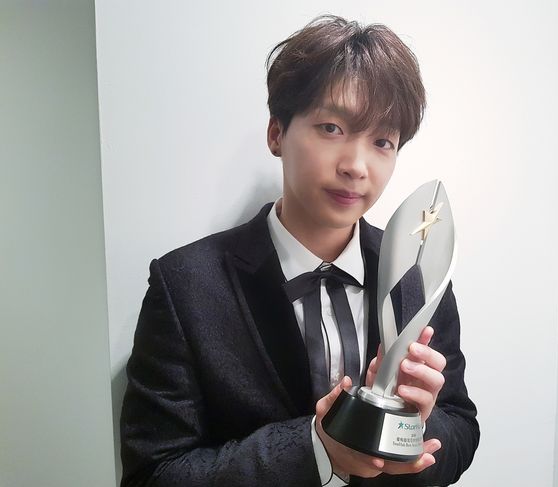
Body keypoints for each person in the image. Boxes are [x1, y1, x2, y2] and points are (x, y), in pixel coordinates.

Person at [120, 14, 479, 487]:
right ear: (277, 133)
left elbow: (460, 427)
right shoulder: (186, 286)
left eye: (382, 141)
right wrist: (315, 447)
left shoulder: (420, 274)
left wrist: (412, 427)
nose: (356, 165)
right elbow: (155, 473)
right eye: (331, 128)